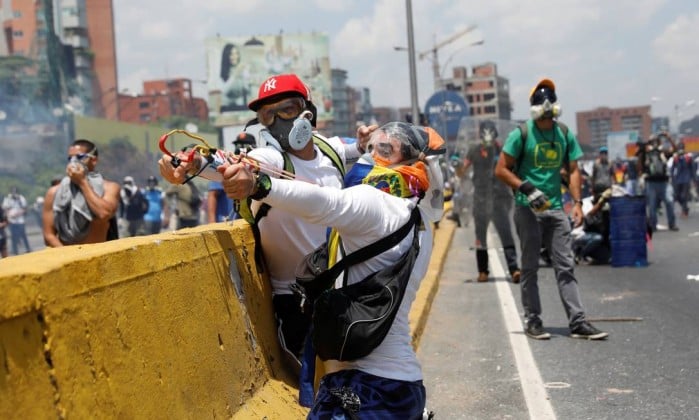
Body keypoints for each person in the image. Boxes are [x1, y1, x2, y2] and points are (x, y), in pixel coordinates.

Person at [218, 121, 444, 419]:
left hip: (368, 388)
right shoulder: (419, 217)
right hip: (398, 385)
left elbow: (324, 202)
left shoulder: (378, 205)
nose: (370, 154)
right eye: (373, 145)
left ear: (409, 163)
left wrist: (259, 185)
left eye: (384, 149)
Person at [159, 73, 370, 377]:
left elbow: (358, 146)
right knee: (311, 386)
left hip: (343, 289)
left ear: (308, 112)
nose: (276, 122)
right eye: (266, 114)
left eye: (286, 110)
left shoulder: (329, 150)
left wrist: (366, 140)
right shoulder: (268, 160)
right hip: (297, 303)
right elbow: (229, 164)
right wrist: (188, 163)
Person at [494, 78, 609, 341]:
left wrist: (578, 203)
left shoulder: (564, 134)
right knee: (530, 266)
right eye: (541, 100)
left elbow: (574, 169)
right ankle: (533, 320)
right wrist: (526, 188)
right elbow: (500, 169)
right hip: (527, 209)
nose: (547, 105)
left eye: (550, 99)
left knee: (566, 265)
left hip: (556, 209)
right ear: (534, 106)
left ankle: (578, 322)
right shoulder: (521, 134)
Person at [459, 120, 520, 283]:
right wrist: (458, 164)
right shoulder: (475, 150)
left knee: (505, 234)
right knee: (481, 237)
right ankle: (484, 271)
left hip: (499, 199)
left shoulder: (501, 150)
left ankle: (514, 269)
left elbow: (512, 169)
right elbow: (462, 170)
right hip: (481, 199)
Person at [42, 139, 121, 247]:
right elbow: (48, 235)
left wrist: (82, 182)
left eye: (79, 157)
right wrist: (70, 257)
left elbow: (104, 214)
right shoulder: (54, 192)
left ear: (94, 160)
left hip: (98, 255)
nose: (73, 161)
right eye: (70, 158)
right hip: (68, 257)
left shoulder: (109, 187)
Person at [207, 133, 256, 223]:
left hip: (252, 219)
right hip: (227, 221)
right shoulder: (226, 165)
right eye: (238, 145)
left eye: (244, 145)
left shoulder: (257, 167)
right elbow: (213, 194)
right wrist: (212, 221)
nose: (240, 147)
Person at [636, 132, 678, 231]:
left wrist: (668, 137)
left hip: (664, 181)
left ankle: (672, 224)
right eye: (652, 142)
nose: (654, 144)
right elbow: (639, 167)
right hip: (651, 182)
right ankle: (653, 225)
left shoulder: (662, 152)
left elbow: (674, 150)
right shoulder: (645, 154)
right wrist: (642, 152)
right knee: (652, 205)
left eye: (656, 141)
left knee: (670, 201)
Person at [573, 188, 612, 265]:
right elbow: (589, 217)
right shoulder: (585, 202)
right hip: (581, 235)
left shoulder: (606, 205)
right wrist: (600, 203)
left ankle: (591, 254)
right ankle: (579, 254)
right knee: (597, 238)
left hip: (596, 236)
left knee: (608, 258)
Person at [219, 43, 250, 112]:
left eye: (236, 53)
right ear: (226, 56)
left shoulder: (241, 69)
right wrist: (235, 74)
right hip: (227, 107)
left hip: (241, 105)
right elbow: (224, 91)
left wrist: (246, 77)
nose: (235, 56)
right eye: (231, 54)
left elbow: (246, 89)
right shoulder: (223, 71)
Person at [2, 186, 31, 255]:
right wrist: (9, 215)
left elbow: (25, 209)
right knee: (13, 236)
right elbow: (5, 208)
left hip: (20, 220)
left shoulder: (21, 198)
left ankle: (28, 248)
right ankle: (15, 250)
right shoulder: (7, 199)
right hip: (12, 221)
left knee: (23, 235)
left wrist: (18, 213)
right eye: (13, 192)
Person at [670, 143, 693, 218]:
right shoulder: (676, 158)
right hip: (678, 180)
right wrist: (672, 177)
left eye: (681, 148)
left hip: (686, 179)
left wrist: (693, 179)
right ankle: (685, 207)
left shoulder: (688, 157)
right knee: (677, 196)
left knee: (684, 196)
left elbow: (692, 169)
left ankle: (684, 211)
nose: (681, 150)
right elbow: (672, 169)